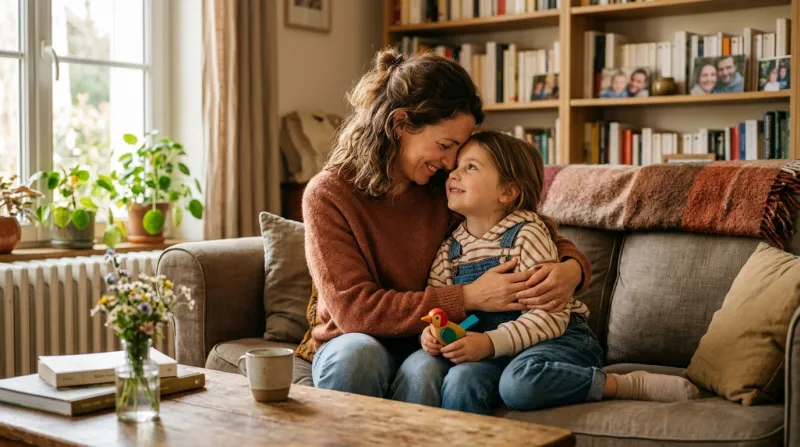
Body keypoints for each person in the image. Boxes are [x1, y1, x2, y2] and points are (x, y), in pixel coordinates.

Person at [303, 48, 593, 404]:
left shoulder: (444, 186)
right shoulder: (329, 195)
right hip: (358, 338)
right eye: (445, 145)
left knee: (424, 370)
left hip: (431, 339)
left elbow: (524, 225)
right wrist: (470, 296)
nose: (451, 161)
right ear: (400, 125)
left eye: (458, 150)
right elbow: (355, 313)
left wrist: (571, 270)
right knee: (357, 356)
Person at [394, 130, 703, 415]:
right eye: (456, 167)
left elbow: (550, 317)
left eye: (470, 167)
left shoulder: (527, 234)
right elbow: (441, 310)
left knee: (519, 384)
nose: (454, 174)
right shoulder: (450, 250)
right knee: (462, 380)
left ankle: (626, 385)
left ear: (508, 192)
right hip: (497, 346)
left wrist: (489, 343)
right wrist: (432, 334)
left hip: (559, 339)